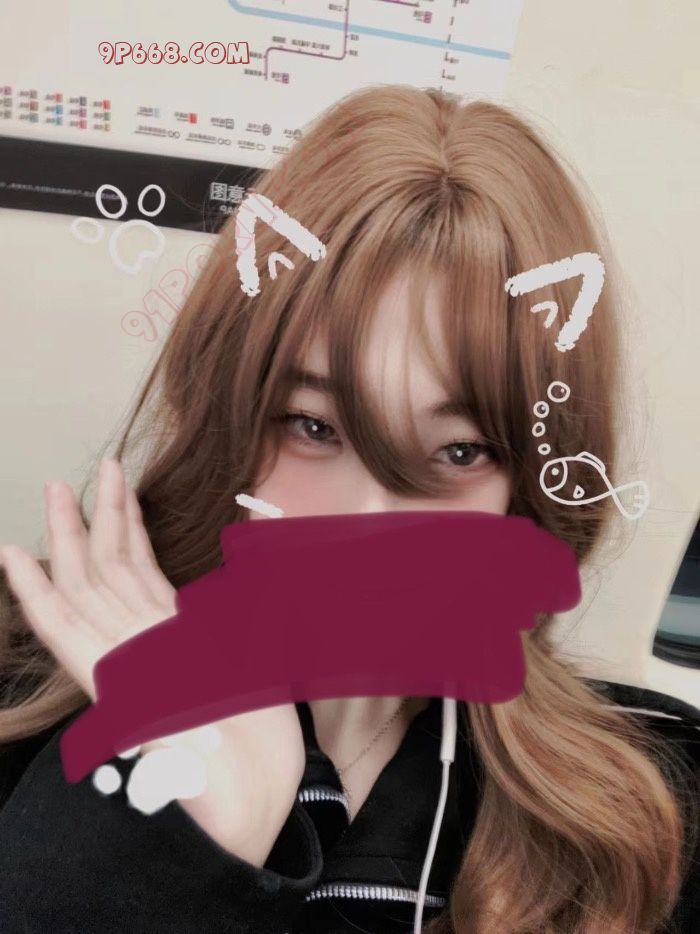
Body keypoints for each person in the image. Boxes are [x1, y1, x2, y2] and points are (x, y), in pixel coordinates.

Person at [0, 83, 698, 934]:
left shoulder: (651, 804)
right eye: (314, 427)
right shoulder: (22, 702)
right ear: (232, 414)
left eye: (459, 452)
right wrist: (182, 844)